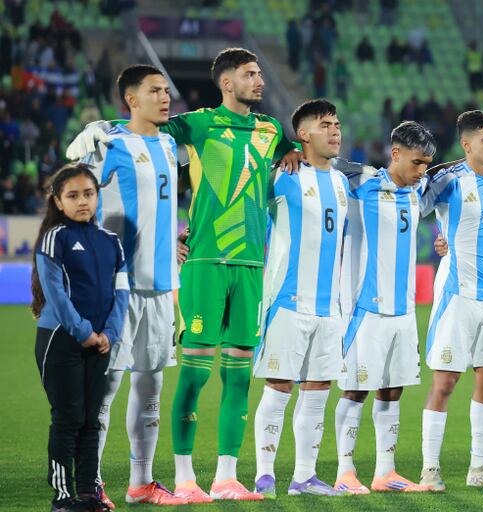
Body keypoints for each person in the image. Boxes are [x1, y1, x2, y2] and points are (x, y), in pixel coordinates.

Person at [66, 47, 302, 502]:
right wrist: (99, 128)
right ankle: (156, 478)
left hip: (238, 266)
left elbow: (281, 150)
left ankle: (215, 478)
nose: (260, 81)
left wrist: (292, 148)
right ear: (227, 82)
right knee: (168, 378)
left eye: (260, 74)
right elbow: (130, 137)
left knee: (221, 377)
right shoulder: (192, 125)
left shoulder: (271, 130)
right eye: (251, 74)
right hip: (192, 268)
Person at [87, 66, 183, 507]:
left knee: (151, 388)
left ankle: (140, 483)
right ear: (131, 100)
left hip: (164, 287)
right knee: (103, 390)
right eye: (155, 91)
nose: (166, 98)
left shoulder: (167, 143)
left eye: (167, 90)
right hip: (119, 289)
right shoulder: (109, 144)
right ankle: (88, 484)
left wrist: (174, 242)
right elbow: (71, 195)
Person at [332, 121, 438, 494]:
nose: (422, 171)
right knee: (356, 389)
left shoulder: (417, 188)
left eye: (426, 164)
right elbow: (325, 163)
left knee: (393, 389)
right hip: (366, 310)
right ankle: (345, 471)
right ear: (395, 154)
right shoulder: (362, 185)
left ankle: (385, 471)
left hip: (404, 311)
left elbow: (443, 174)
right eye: (416, 162)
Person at [252, 100, 349, 499]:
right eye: (325, 125)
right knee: (279, 388)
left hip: (329, 309)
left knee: (318, 392)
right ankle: (264, 475)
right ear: (303, 134)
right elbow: (241, 201)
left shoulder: (343, 182)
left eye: (337, 124)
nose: (335, 131)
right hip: (289, 303)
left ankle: (304, 477)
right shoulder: (284, 176)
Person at [419, 110, 483, 490]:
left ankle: (480, 468)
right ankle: (430, 469)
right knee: (445, 382)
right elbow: (415, 203)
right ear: (467, 144)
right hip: (456, 295)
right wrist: (438, 238)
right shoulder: (449, 179)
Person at [32, 164, 130, 512]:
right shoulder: (54, 238)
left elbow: (122, 294)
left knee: (92, 419)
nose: (82, 201)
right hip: (61, 340)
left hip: (100, 342)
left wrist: (109, 334)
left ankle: (89, 494)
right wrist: (86, 333)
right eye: (73, 195)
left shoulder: (111, 242)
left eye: (88, 193)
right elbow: (55, 295)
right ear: (58, 201)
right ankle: (62, 497)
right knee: (68, 417)